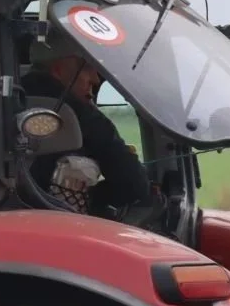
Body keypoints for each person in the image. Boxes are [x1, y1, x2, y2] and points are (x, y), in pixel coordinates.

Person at [19, 47, 151, 216]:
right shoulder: (81, 115)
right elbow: (134, 184)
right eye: (87, 67)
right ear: (58, 70)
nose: (95, 79)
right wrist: (90, 197)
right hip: (57, 225)